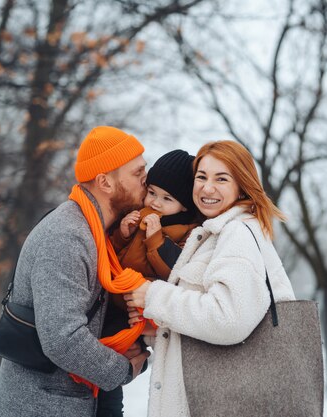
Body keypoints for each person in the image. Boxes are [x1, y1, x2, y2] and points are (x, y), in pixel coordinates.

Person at [0, 126, 151, 417]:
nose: (146, 181)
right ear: (106, 182)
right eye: (138, 173)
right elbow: (63, 339)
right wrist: (124, 369)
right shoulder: (67, 236)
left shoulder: (100, 235)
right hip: (41, 407)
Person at [125, 140, 296, 417]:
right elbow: (211, 329)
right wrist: (160, 330)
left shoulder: (237, 233)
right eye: (201, 177)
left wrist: (154, 295)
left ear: (241, 185)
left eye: (221, 179)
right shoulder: (215, 234)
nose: (207, 187)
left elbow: (228, 318)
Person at [97, 149, 200, 417]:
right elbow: (113, 254)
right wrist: (123, 233)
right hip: (116, 296)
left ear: (185, 206)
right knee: (103, 346)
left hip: (141, 307)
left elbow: (174, 271)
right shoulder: (137, 213)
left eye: (167, 199)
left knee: (121, 351)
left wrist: (156, 239)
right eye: (152, 192)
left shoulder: (185, 233)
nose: (155, 202)